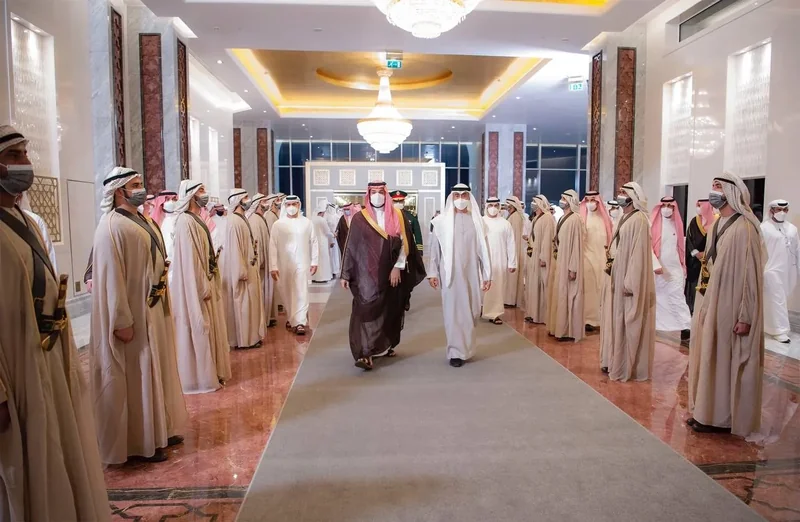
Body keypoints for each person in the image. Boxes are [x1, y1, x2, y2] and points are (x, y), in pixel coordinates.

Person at [0, 126, 110, 521]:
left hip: (45, 356)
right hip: (16, 367)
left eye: (25, 154)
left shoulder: (25, 221)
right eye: (15, 156)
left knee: (57, 447)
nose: (25, 163)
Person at [90, 167, 188, 465]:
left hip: (153, 309)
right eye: (134, 185)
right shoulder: (111, 226)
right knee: (138, 377)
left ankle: (162, 430)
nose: (141, 189)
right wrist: (121, 320)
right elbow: (110, 279)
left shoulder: (143, 220)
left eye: (141, 183)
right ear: (119, 191)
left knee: (158, 371)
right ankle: (140, 442)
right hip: (133, 315)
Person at [688, 172, 765, 436]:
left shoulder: (745, 228)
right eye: (712, 187)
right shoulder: (718, 224)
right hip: (710, 299)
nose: (714, 192)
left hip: (731, 305)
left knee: (724, 360)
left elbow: (750, 276)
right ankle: (704, 412)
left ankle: (721, 418)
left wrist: (745, 315)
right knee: (708, 355)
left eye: (719, 187)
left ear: (732, 192)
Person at [340, 182, 425, 370]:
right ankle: (365, 352)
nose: (377, 195)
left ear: (386, 194)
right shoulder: (360, 218)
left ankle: (385, 345)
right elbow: (351, 247)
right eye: (373, 192)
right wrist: (345, 273)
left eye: (380, 192)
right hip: (365, 273)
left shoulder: (398, 215)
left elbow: (404, 244)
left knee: (389, 309)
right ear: (368, 194)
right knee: (366, 309)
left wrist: (397, 267)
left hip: (391, 272)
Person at [170, 180, 232, 393]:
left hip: (206, 281)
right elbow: (191, 260)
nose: (205, 194)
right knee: (198, 327)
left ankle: (213, 372)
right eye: (201, 191)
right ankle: (200, 377)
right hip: (196, 288)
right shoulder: (185, 221)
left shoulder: (196, 219)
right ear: (191, 195)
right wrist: (202, 286)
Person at [428, 184, 492, 368]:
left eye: (464, 195)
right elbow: (435, 250)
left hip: (472, 273)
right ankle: (455, 352)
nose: (461, 199)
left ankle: (466, 348)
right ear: (452, 198)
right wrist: (432, 272)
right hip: (450, 275)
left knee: (472, 311)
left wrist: (487, 275)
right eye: (457, 195)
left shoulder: (478, 222)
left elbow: (484, 251)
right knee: (453, 312)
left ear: (469, 198)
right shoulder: (441, 222)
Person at [602, 182, 656, 381]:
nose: (620, 195)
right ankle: (616, 361)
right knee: (617, 321)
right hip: (618, 275)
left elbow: (638, 255)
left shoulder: (639, 220)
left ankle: (626, 366)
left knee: (628, 322)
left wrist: (630, 283)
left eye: (623, 192)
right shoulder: (625, 217)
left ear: (632, 197)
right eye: (619, 192)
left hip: (628, 282)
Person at [220, 189, 264, 349]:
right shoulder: (233, 221)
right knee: (243, 306)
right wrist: (241, 271)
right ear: (238, 200)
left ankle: (252, 337)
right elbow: (234, 249)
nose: (248, 200)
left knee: (250, 306)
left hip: (249, 268)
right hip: (242, 272)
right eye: (245, 197)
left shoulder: (242, 219)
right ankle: (243, 340)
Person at [269, 195, 319, 336]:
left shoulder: (307, 223)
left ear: (299, 205)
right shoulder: (278, 225)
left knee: (301, 291)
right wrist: (273, 266)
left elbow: (314, 241)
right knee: (287, 292)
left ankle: (300, 322)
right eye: (288, 204)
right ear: (285, 206)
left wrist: (314, 261)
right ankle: (292, 318)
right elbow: (272, 245)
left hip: (302, 263)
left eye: (294, 204)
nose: (291, 207)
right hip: (284, 264)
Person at [546, 189, 585, 342]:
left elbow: (576, 245)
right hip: (560, 261)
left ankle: (568, 331)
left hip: (569, 264)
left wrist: (573, 268)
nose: (561, 200)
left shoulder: (575, 219)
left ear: (570, 201)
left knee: (568, 296)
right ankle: (558, 328)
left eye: (564, 198)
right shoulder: (563, 218)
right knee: (560, 295)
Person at [651, 196, 692, 341]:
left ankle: (686, 326)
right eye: (664, 205)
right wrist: (655, 265)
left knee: (677, 296)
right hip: (658, 269)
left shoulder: (677, 224)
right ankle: (658, 326)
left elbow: (680, 247)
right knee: (659, 298)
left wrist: (682, 266)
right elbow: (648, 247)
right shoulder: (652, 225)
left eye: (670, 206)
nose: (666, 208)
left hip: (675, 269)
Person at [761, 199, 799, 343]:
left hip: (788, 270)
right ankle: (780, 331)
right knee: (778, 299)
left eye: (785, 210)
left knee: (779, 299)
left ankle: (768, 326)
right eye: (778, 209)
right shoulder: (764, 228)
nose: (782, 212)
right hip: (770, 269)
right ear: (772, 210)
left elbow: (797, 249)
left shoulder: (792, 229)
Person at [481, 197, 517, 325]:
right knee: (481, 286)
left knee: (497, 288)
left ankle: (494, 314)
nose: (493, 208)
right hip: (483, 261)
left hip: (500, 260)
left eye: (496, 205)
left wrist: (512, 262)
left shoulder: (505, 223)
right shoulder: (481, 221)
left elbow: (511, 244)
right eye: (491, 205)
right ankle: (481, 308)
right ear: (486, 207)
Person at [580, 191, 612, 333]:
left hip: (602, 259)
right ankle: (588, 319)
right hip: (587, 258)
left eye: (593, 200)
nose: (590, 203)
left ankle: (602, 319)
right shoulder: (582, 219)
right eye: (587, 200)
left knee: (602, 289)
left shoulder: (604, 220)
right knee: (589, 290)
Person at [524, 195, 556, 324]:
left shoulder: (547, 218)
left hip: (541, 257)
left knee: (542, 286)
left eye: (535, 202)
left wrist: (543, 257)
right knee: (533, 285)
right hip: (534, 254)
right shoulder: (537, 218)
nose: (533, 204)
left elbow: (547, 239)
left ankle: (542, 316)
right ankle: (533, 313)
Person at [391, 190, 423, 311]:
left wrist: (419, 251)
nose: (398, 203)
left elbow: (417, 234)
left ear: (404, 202)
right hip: (393, 253)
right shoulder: (389, 216)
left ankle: (406, 297)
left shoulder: (411, 216)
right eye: (396, 201)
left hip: (409, 252)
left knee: (408, 278)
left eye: (400, 201)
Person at [685, 198, 716, 315]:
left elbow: (717, 242)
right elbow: (689, 240)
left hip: (710, 260)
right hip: (695, 262)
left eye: (700, 206)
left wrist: (706, 253)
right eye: (697, 206)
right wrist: (696, 253)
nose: (698, 208)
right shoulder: (694, 221)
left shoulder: (716, 221)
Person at [247, 193, 272, 330]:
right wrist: (260, 262)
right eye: (263, 201)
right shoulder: (255, 220)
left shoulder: (260, 218)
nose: (266, 203)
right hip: (260, 267)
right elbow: (257, 244)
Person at [503, 196, 526, 307]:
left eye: (508, 205)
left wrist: (511, 252)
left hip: (514, 251)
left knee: (512, 277)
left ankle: (510, 300)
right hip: (512, 250)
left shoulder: (515, 217)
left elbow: (515, 238)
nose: (507, 207)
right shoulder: (512, 216)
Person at [311, 200, 335, 283]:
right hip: (322, 242)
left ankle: (314, 277)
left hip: (313, 242)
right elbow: (327, 232)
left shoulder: (311, 219)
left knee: (315, 259)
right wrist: (333, 235)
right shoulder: (322, 220)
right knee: (323, 260)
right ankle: (322, 277)